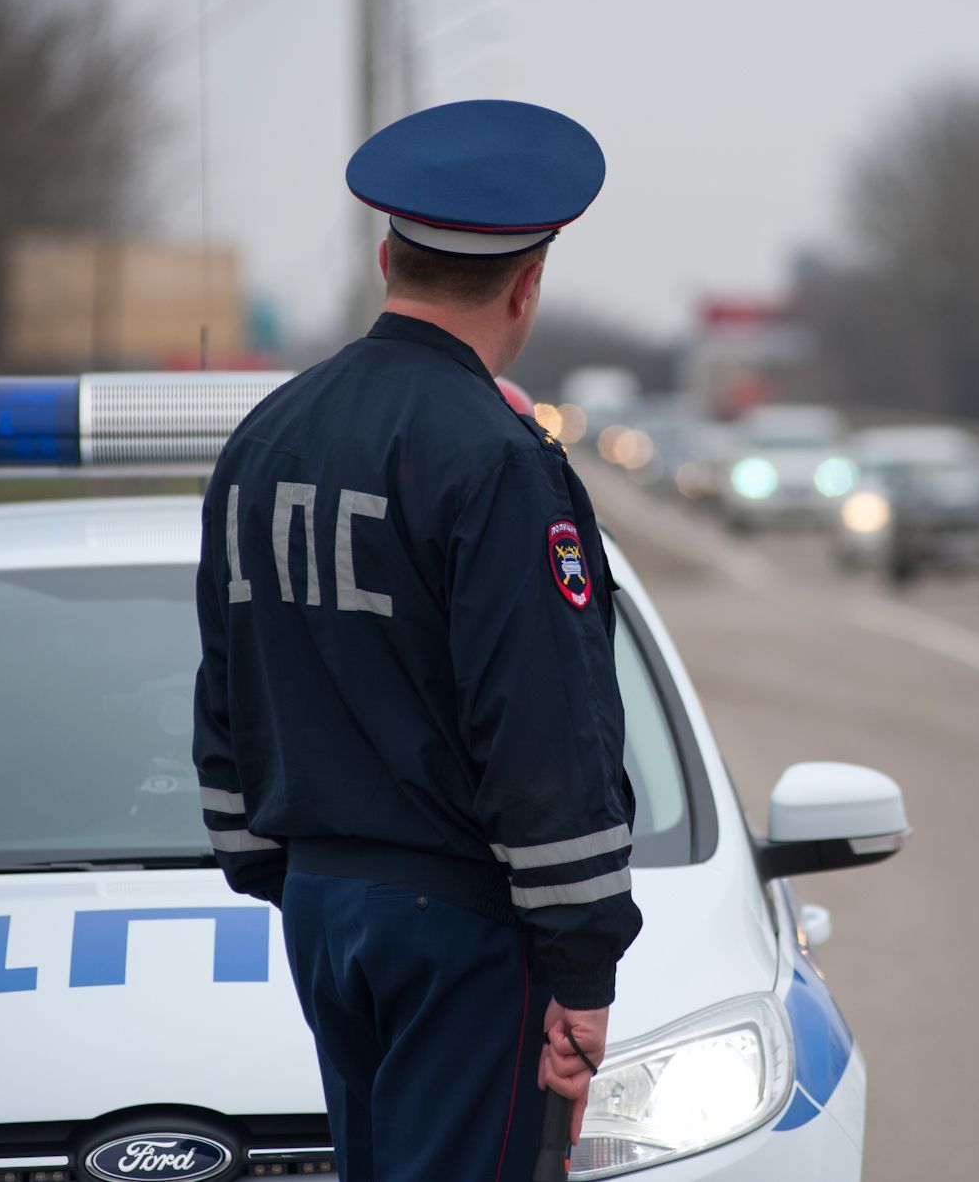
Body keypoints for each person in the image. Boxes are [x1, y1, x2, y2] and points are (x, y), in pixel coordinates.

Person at [191, 99, 641, 1181]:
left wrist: (280, 867)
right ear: (527, 284)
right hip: (460, 926)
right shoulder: (493, 459)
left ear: (387, 253)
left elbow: (226, 689)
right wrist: (582, 966)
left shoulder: (265, 434)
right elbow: (538, 725)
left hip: (322, 905)